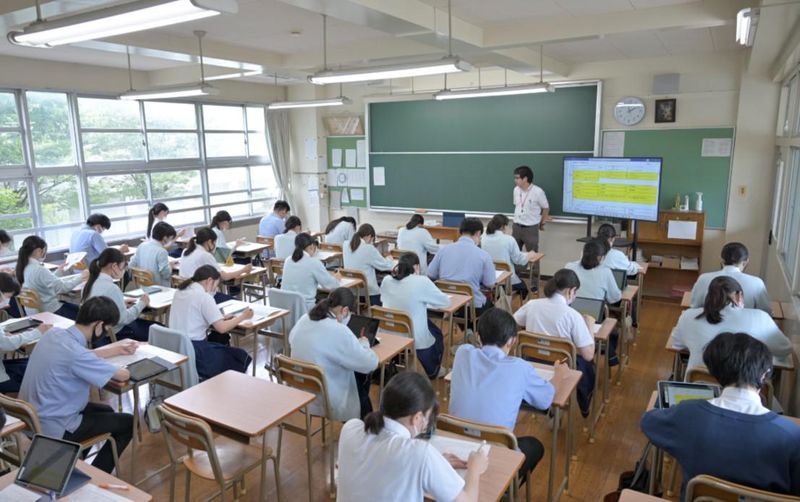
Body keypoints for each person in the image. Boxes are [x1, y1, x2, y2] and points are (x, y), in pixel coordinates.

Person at [641, 332, 800, 498]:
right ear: (764, 374)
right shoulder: (792, 437)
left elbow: (648, 422)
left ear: (714, 371)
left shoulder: (688, 414)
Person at [20, 297, 137, 473]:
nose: (105, 332)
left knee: (106, 410)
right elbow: (122, 375)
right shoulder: (77, 355)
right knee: (128, 422)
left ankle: (75, 459)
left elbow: (81, 355)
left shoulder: (54, 334)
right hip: (55, 427)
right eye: (107, 328)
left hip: (33, 417)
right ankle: (98, 474)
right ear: (99, 325)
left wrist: (116, 349)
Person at [337, 371, 489, 502]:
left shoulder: (350, 428)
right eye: (428, 417)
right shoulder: (420, 454)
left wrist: (436, 465)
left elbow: (378, 473)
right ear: (417, 418)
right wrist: (474, 469)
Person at [450, 308, 563, 480]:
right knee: (534, 446)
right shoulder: (520, 368)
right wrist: (560, 375)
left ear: (478, 337)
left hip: (456, 444)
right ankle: (505, 487)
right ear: (512, 341)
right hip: (494, 453)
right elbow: (545, 400)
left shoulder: (462, 353)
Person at [513, 269, 597, 417]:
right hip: (561, 366)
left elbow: (514, 322)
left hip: (531, 361)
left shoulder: (532, 304)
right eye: (575, 292)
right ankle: (584, 407)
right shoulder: (572, 315)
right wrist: (589, 325)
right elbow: (588, 355)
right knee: (588, 365)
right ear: (570, 291)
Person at [289, 288, 379, 420]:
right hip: (325, 394)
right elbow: (370, 363)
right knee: (362, 375)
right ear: (345, 310)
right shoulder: (339, 330)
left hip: (300, 387)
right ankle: (362, 425)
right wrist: (364, 343)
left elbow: (291, 339)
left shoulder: (305, 318)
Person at [672, 276, 791, 371]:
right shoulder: (761, 317)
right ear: (739, 296)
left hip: (698, 387)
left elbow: (676, 344)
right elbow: (784, 349)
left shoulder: (688, 316)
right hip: (742, 389)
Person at [169, 265, 253, 380]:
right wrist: (243, 316)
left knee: (220, 343)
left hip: (175, 346)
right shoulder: (204, 297)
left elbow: (194, 315)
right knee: (240, 357)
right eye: (215, 285)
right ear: (209, 281)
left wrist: (219, 317)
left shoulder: (180, 291)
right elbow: (222, 328)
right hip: (194, 351)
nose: (216, 289)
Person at [380, 253, 450, 379]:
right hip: (412, 333)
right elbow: (445, 302)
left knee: (425, 324)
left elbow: (383, 299)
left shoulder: (386, 280)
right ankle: (433, 370)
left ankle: (400, 361)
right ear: (416, 267)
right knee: (437, 334)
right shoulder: (421, 281)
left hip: (389, 330)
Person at [81, 248, 154, 342]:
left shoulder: (88, 284)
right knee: (157, 329)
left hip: (97, 336)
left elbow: (100, 306)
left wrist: (120, 303)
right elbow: (125, 319)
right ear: (114, 266)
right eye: (123, 267)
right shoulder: (112, 288)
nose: (124, 270)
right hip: (117, 334)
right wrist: (142, 303)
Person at [428, 217, 496, 315]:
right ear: (478, 233)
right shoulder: (484, 255)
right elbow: (490, 284)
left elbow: (430, 274)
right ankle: (472, 325)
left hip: (445, 304)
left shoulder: (443, 250)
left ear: (461, 231)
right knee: (491, 306)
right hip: (471, 308)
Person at [0, 272, 50, 393]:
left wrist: (4, 336)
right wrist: (38, 332)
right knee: (41, 377)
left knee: (32, 364)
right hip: (1, 378)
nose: (8, 303)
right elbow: (7, 344)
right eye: (7, 297)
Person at [16, 236, 88, 318]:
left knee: (79, 309)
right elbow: (63, 288)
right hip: (52, 312)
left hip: (35, 313)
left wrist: (59, 271)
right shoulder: (39, 269)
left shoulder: (24, 267)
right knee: (86, 313)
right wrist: (81, 277)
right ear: (39, 250)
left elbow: (45, 281)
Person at [690, 242, 771, 314]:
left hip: (708, 324)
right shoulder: (757, 283)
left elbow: (694, 307)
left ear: (721, 260)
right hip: (743, 325)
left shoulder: (703, 278)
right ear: (745, 262)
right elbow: (765, 313)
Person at [481, 214, 538, 301]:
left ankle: (495, 297)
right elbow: (519, 260)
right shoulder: (509, 239)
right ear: (503, 226)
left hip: (487, 280)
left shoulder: (482, 238)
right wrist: (529, 255)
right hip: (506, 282)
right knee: (523, 287)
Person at [512, 165, 549, 289]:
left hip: (530, 229)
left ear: (525, 178)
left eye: (517, 178)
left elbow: (545, 208)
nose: (515, 180)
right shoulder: (516, 190)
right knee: (514, 254)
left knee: (534, 256)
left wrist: (542, 223)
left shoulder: (538, 191)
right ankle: (514, 280)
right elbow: (518, 206)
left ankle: (534, 284)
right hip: (516, 226)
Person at [282, 233, 341, 309]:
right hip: (305, 308)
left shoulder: (288, 260)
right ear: (312, 246)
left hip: (286, 306)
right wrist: (336, 278)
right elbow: (332, 286)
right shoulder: (313, 262)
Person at [343, 224, 394, 306]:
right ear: (369, 236)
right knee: (388, 281)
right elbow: (387, 266)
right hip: (369, 293)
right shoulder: (368, 248)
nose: (372, 243)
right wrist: (389, 258)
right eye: (372, 240)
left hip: (352, 290)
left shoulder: (345, 245)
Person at [179, 227, 251, 282]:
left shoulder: (185, 251)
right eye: (214, 242)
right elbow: (224, 277)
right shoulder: (205, 255)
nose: (215, 245)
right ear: (209, 242)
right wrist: (244, 270)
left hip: (187, 292)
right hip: (199, 294)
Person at [565, 239, 621, 305]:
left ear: (582, 253)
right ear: (600, 258)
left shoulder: (569, 267)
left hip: (571, 309)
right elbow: (615, 298)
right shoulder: (605, 272)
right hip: (595, 311)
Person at [130, 221, 177, 287]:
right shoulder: (161, 251)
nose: (170, 240)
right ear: (165, 238)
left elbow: (131, 265)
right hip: (160, 288)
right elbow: (166, 275)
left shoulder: (142, 246)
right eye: (171, 238)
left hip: (143, 287)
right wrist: (170, 266)